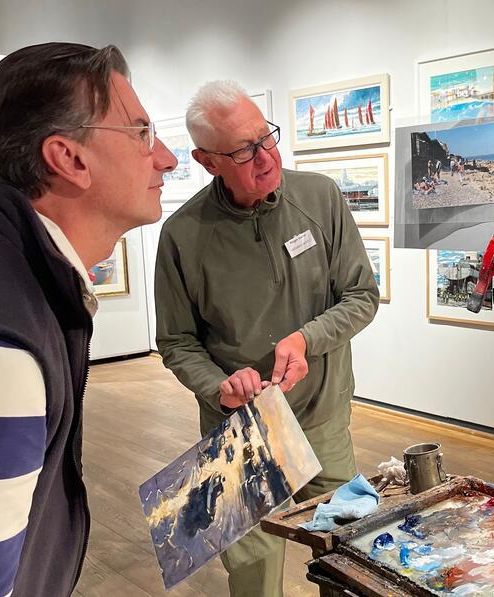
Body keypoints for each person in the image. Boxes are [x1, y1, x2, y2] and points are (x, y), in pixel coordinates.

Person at [154, 80, 379, 597]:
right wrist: (217, 384)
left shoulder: (319, 198)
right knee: (252, 567)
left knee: (348, 549)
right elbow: (176, 341)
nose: (265, 157)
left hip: (321, 416)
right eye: (243, 150)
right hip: (239, 428)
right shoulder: (183, 235)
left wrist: (307, 338)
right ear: (207, 162)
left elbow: (361, 295)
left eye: (267, 137)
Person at [0, 43, 176, 597]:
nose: (167, 156)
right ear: (69, 158)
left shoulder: (27, 282)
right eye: (142, 132)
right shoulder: (9, 344)